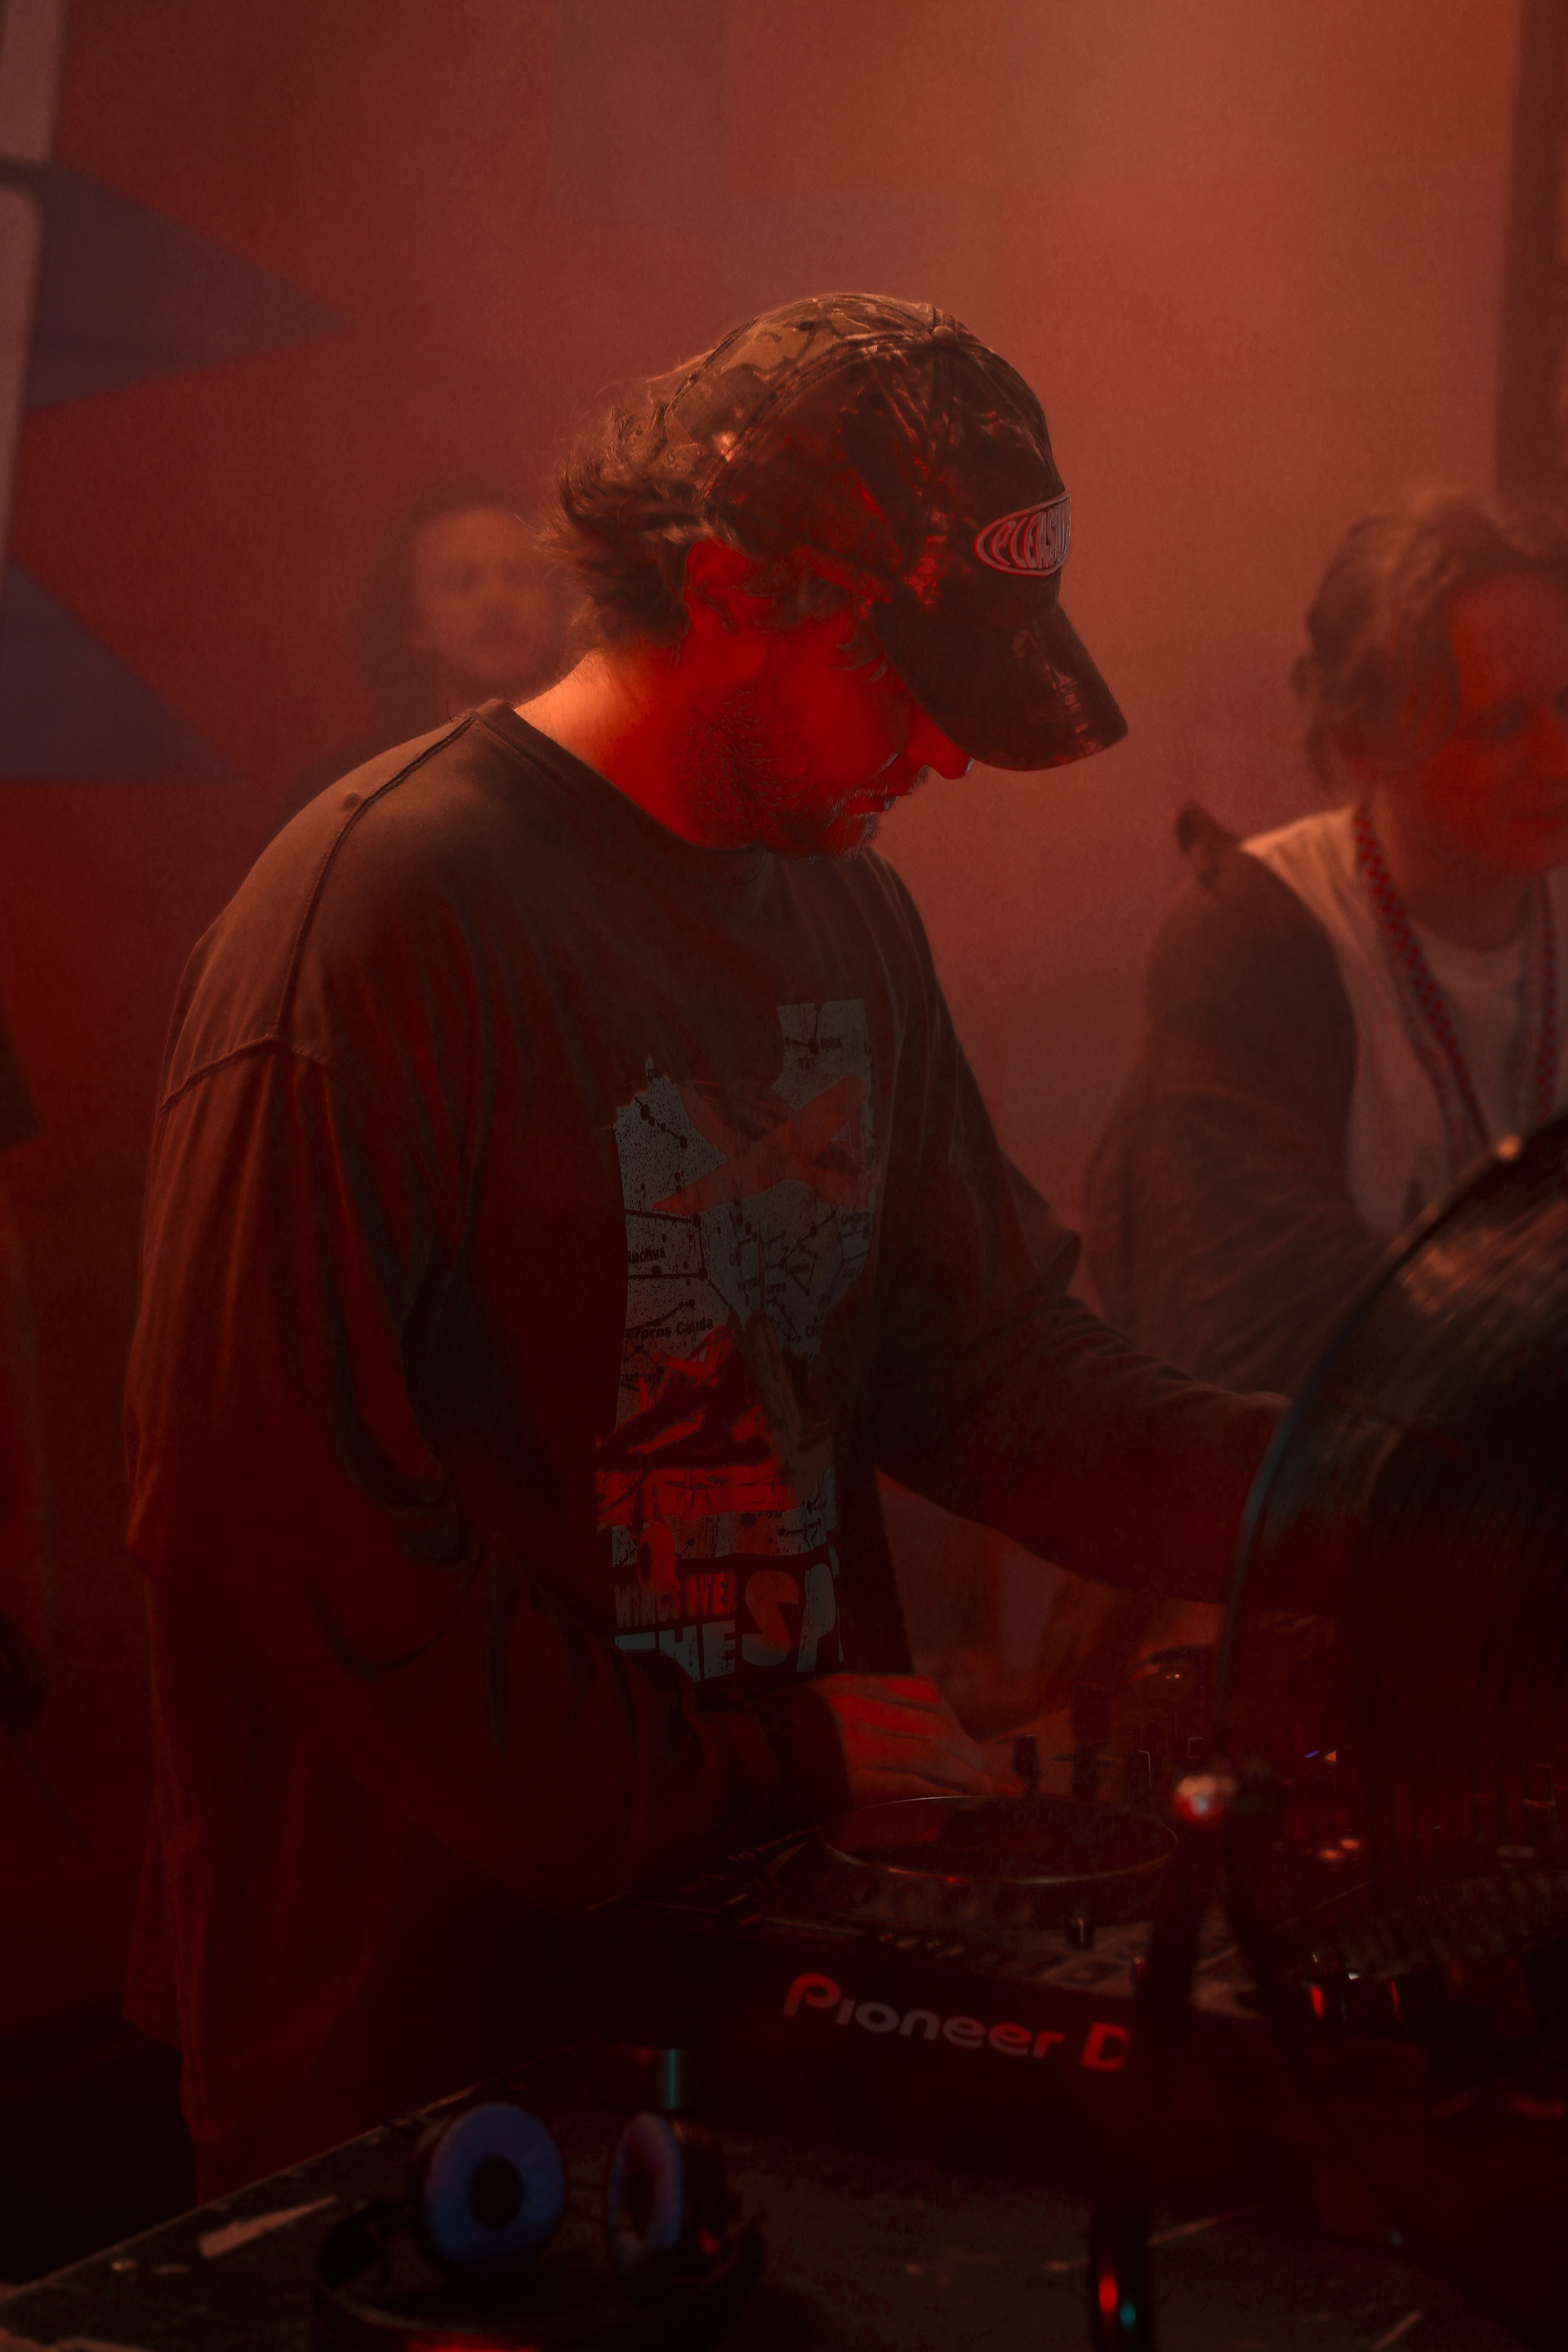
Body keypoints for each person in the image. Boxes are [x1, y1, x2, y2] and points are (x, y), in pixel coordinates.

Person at [124, 293, 1281, 2198]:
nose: (947, 754)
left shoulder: (850, 915)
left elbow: (986, 1370)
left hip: (759, 1989)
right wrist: (766, 1768)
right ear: (734, 587)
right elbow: (283, 1538)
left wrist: (1366, 1499)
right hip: (428, 2055)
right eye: (907, 683)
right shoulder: (381, 913)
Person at [1087, 487, 1568, 1399]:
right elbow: (1256, 1321)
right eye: (1504, 723)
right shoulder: (1255, 935)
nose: (1561, 753)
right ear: (1363, 739)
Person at [276, 479, 571, 823]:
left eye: (519, 576)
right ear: (412, 622)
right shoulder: (343, 798)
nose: (497, 601)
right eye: (461, 581)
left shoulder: (593, 771)